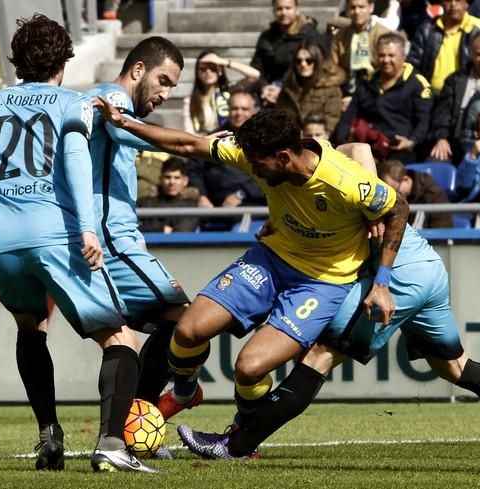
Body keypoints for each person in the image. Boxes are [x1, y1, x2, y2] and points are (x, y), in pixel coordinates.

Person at [93, 101, 410, 425]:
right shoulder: (257, 155)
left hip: (323, 281)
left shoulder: (344, 181)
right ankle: (185, 391)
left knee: (248, 368)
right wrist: (125, 124)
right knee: (187, 331)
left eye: (259, 164)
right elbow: (186, 143)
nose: (253, 171)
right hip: (272, 259)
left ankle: (243, 430)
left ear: (284, 157)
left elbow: (398, 208)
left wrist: (381, 283)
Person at [0, 14, 157, 474]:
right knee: (120, 338)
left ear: (17, 61)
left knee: (29, 327)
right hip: (55, 235)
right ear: (63, 61)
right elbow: (78, 161)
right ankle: (112, 445)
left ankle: (50, 436)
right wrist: (88, 229)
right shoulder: (72, 103)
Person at [176, 223, 480, 466]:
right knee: (454, 365)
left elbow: (362, 158)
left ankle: (237, 445)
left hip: (398, 277)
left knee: (320, 354)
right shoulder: (342, 177)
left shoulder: (335, 183)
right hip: (429, 267)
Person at [85, 37, 191, 408]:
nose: (166, 93)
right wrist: (197, 143)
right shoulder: (110, 101)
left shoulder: (124, 113)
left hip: (117, 242)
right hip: (111, 244)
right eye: (164, 81)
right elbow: (118, 127)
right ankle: (147, 411)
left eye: (173, 87)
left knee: (122, 340)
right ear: (138, 69)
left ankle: (128, 423)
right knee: (189, 322)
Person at [333, 32, 433, 164]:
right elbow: (348, 116)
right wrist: (341, 144)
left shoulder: (418, 84)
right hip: (366, 146)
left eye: (391, 55)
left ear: (403, 56)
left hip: (400, 151)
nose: (386, 60)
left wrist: (411, 142)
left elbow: (424, 121)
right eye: (381, 55)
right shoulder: (367, 82)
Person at [185, 89, 266, 230]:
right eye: (234, 108)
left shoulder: (265, 140)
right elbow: (194, 169)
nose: (239, 113)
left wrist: (241, 194)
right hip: (212, 207)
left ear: (254, 111)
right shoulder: (215, 137)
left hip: (249, 207)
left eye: (244, 109)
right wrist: (201, 196)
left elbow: (270, 174)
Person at [428, 30, 480, 164]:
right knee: (433, 168)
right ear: (471, 54)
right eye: (479, 54)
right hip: (456, 144)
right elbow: (442, 113)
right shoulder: (455, 80)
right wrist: (441, 138)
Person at [251, 0, 326, 108]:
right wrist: (263, 87)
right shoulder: (267, 37)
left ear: (297, 9)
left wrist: (284, 91)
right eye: (279, 9)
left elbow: (315, 70)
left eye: (288, 8)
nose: (283, 13)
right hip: (268, 91)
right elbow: (257, 67)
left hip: (299, 91)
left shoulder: (310, 36)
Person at [407, 0, 480, 93]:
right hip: (429, 95)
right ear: (442, 3)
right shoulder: (427, 29)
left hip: (463, 96)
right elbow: (413, 65)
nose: (453, 4)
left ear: (466, 3)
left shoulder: (478, 30)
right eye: (448, 0)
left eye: (458, 0)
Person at [326, 0, 392, 109]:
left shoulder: (383, 35)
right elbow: (333, 69)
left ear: (370, 7)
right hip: (345, 94)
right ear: (347, 10)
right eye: (352, 8)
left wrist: (359, 99)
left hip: (377, 95)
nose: (357, 11)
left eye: (361, 7)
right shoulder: (340, 36)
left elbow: (388, 74)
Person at [183, 50, 260, 135]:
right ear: (197, 72)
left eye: (213, 68)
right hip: (206, 143)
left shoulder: (230, 90)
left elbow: (255, 76)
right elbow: (189, 133)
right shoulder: (190, 100)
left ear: (220, 71)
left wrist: (223, 62)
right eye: (203, 68)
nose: (208, 72)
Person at [276, 41, 343, 134]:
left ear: (316, 61)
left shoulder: (329, 86)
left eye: (309, 61)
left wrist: (324, 136)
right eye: (298, 61)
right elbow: (281, 117)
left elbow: (332, 117)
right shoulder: (288, 88)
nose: (303, 64)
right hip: (293, 138)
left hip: (320, 138)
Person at [378, 159, 454, 228]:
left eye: (395, 190)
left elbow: (441, 234)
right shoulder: (397, 202)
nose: (393, 197)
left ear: (406, 179)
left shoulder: (435, 196)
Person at [136, 157, 200, 233]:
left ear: (185, 181)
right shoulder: (145, 203)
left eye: (177, 178)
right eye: (167, 177)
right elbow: (131, 227)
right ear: (160, 179)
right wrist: (162, 229)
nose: (171, 182)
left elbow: (182, 233)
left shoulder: (191, 207)